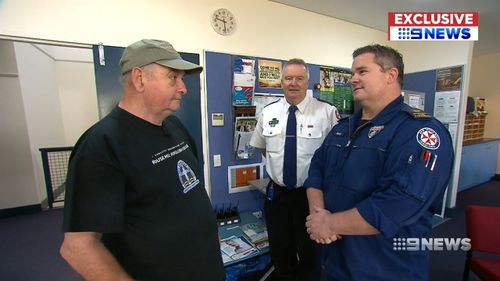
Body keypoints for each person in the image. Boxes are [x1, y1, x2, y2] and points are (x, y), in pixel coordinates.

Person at [60, 39, 225, 281]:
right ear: (139, 79)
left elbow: (191, 192)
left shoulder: (174, 126)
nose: (183, 88)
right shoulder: (101, 145)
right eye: (173, 77)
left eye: (182, 79)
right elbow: (78, 246)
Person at [305, 44, 454, 280]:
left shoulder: (419, 131)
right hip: (336, 259)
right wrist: (319, 215)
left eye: (362, 72)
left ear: (391, 75)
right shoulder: (342, 129)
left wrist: (330, 224)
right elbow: (316, 171)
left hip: (385, 267)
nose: (353, 79)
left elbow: (400, 202)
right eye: (352, 73)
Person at [250, 58, 339, 280]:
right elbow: (263, 148)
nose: (293, 83)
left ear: (308, 81)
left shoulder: (327, 113)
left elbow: (336, 158)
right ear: (282, 82)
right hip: (277, 196)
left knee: (310, 256)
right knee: (281, 254)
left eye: (299, 78)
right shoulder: (268, 113)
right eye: (288, 78)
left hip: (310, 197)